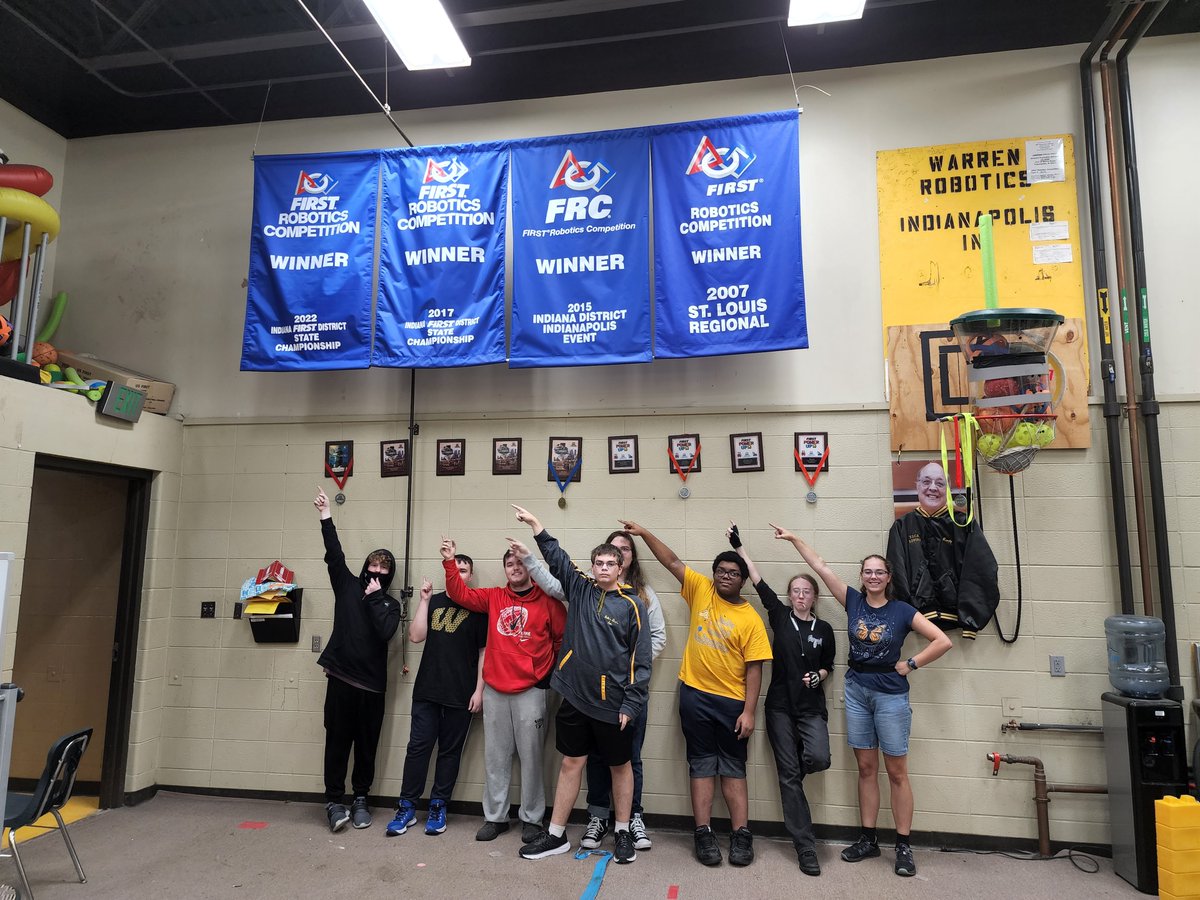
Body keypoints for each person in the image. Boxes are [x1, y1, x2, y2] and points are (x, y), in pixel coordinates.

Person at [771, 523, 952, 878]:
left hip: (890, 695)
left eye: (879, 572)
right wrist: (794, 539)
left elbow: (942, 641)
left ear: (888, 577)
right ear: (861, 576)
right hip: (856, 691)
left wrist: (911, 664)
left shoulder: (902, 611)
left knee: (896, 773)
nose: (873, 577)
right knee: (866, 769)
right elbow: (821, 566)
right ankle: (868, 839)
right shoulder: (853, 600)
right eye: (867, 572)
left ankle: (903, 845)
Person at [618, 519, 772, 869]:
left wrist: (749, 711)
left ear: (743, 580)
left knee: (733, 769)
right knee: (700, 765)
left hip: (732, 703)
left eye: (733, 573)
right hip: (695, 696)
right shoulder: (701, 589)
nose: (725, 576)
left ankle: (741, 834)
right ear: (714, 575)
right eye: (721, 571)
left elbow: (755, 668)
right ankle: (703, 833)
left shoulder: (751, 619)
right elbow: (672, 561)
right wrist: (645, 533)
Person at [509, 506, 652, 864]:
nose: (603, 568)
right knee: (571, 763)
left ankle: (622, 832)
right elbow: (556, 558)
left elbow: (641, 661)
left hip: (613, 705)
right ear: (592, 567)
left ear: (620, 568)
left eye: (610, 564)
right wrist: (536, 525)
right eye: (598, 563)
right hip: (575, 698)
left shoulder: (633, 606)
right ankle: (556, 835)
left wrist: (630, 704)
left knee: (620, 767)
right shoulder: (581, 589)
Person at [441, 534, 567, 844]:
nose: (515, 568)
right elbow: (458, 593)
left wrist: (548, 676)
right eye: (509, 564)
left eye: (520, 563)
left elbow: (563, 641)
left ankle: (532, 819)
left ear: (529, 567)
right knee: (495, 758)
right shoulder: (494, 597)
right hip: (495, 689)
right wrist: (449, 561)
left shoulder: (549, 601)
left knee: (532, 759)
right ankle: (495, 817)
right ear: (505, 569)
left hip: (531, 690)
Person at [728, 523, 834, 877]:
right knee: (787, 775)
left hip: (811, 708)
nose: (801, 596)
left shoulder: (824, 630)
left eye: (806, 591)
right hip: (779, 708)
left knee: (819, 758)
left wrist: (819, 675)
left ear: (814, 597)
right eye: (796, 591)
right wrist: (740, 547)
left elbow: (830, 665)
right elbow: (757, 580)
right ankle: (805, 846)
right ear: (790, 595)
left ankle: (794, 782)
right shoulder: (779, 616)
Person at [313, 486, 402, 833]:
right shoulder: (347, 585)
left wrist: (375, 598)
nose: (377, 570)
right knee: (337, 743)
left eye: (384, 567)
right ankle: (334, 801)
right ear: (366, 565)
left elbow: (386, 633)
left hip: (372, 688)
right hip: (341, 680)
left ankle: (361, 798)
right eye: (373, 564)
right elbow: (334, 555)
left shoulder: (390, 605)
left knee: (366, 747)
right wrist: (326, 516)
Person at [386, 556, 487, 838]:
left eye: (464, 571)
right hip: (427, 691)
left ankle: (438, 806)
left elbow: (484, 653)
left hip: (461, 694)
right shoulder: (434, 602)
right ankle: (407, 807)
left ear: (470, 575)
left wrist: (479, 690)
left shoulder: (478, 607)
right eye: (456, 570)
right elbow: (415, 636)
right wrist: (424, 600)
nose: (459, 574)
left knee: (449, 752)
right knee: (418, 748)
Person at [886, 461, 1000, 639]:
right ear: (917, 485)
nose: (932, 488)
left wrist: (971, 619)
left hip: (956, 618)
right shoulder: (902, 527)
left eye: (940, 483)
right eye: (926, 482)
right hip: (918, 619)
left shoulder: (963, 524)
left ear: (947, 489)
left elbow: (981, 570)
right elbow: (896, 574)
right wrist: (907, 617)